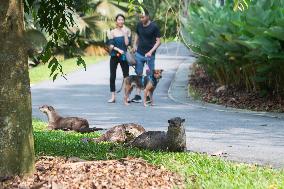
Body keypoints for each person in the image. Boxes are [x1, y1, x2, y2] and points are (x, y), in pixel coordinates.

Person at [131, 8, 161, 103]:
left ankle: (148, 96)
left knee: (150, 75)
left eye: (143, 17)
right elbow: (137, 35)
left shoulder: (154, 27)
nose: (141, 19)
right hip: (139, 54)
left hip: (150, 56)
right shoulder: (139, 25)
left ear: (148, 16)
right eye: (140, 17)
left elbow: (159, 42)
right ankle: (137, 96)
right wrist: (135, 45)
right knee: (138, 74)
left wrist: (151, 51)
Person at [107, 14, 131, 103]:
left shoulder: (127, 30)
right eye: (119, 19)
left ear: (124, 21)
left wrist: (125, 33)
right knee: (112, 76)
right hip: (114, 56)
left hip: (124, 56)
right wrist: (118, 50)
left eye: (122, 20)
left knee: (126, 76)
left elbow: (127, 44)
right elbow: (111, 45)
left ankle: (127, 96)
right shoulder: (112, 32)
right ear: (116, 21)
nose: (120, 21)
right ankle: (113, 97)